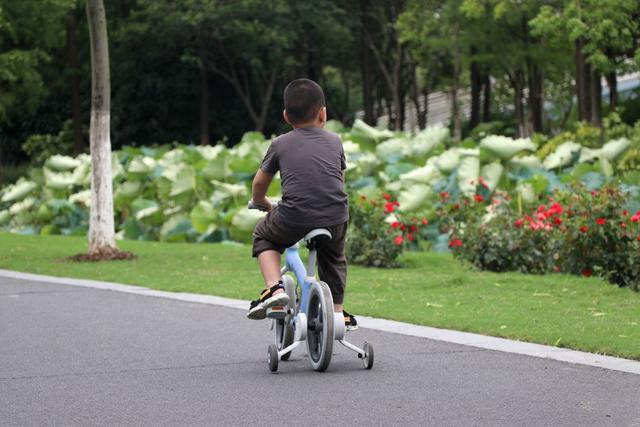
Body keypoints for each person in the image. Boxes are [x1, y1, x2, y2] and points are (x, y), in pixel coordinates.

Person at [247, 78, 357, 331]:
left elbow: (259, 183)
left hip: (294, 215)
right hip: (335, 214)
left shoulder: (280, 144)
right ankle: (338, 313)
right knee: (334, 258)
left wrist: (261, 202)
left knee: (264, 235)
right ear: (323, 113)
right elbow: (339, 179)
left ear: (286, 116)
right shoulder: (335, 142)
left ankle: (274, 290)